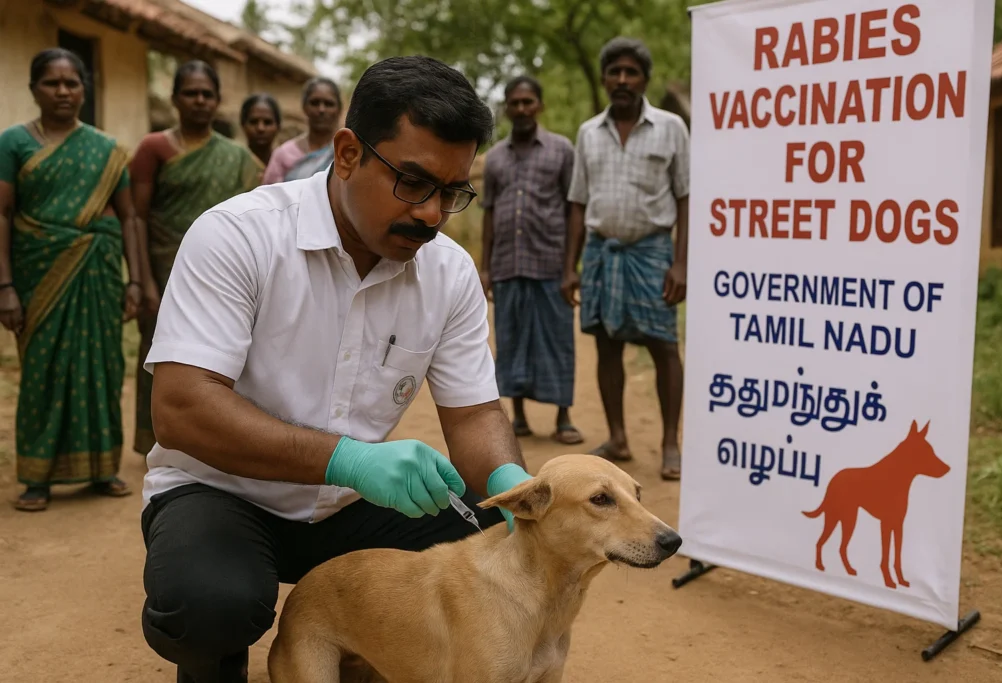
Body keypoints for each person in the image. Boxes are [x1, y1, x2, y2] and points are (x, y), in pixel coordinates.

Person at [138, 55, 533, 683]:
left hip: (355, 505)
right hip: (223, 492)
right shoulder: (238, 236)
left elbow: (475, 415)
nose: (432, 214)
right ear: (347, 154)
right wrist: (348, 459)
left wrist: (515, 489)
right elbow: (182, 409)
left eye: (452, 193)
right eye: (414, 182)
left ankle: (363, 657)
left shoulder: (450, 273)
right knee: (210, 604)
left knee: (493, 543)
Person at [0, 48, 144, 511]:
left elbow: (129, 218)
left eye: (72, 83)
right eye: (51, 83)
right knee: (41, 371)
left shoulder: (108, 149)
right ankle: (37, 477)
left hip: (98, 274)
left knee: (101, 368)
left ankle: (102, 468)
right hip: (38, 274)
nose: (63, 91)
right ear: (33, 89)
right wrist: (5, 286)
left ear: (85, 89)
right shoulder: (12, 143)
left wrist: (134, 281)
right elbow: (3, 212)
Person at [562, 37, 689, 480]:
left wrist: (681, 263)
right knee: (606, 343)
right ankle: (617, 438)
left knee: (663, 345)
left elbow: (686, 196)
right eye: (614, 71)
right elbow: (578, 202)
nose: (622, 79)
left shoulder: (671, 127)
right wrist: (570, 267)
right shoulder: (588, 133)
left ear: (644, 80)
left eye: (631, 72)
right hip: (601, 252)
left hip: (653, 253)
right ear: (604, 79)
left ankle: (670, 443)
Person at [130, 60, 264, 455]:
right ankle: (155, 439)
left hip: (223, 270)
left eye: (207, 94)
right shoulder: (153, 147)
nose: (200, 100)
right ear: (174, 98)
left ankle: (211, 438)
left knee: (223, 353)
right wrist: (144, 282)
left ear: (218, 100)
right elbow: (137, 217)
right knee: (160, 354)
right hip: (164, 268)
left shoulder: (237, 158)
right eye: (191, 93)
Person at [480, 75, 582, 445]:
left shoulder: (561, 150)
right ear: (506, 108)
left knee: (557, 340)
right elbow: (489, 211)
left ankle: (563, 417)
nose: (521, 109)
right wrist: (485, 267)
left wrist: (571, 268)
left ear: (539, 106)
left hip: (550, 262)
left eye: (528, 102)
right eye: (515, 103)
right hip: (508, 264)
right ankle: (519, 416)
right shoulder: (495, 158)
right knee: (511, 340)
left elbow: (574, 209)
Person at [261, 76, 343, 184]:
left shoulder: (346, 152)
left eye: (328, 104)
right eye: (314, 103)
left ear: (339, 109)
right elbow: (271, 192)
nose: (321, 109)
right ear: (304, 107)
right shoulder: (284, 154)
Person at [240, 92, 281, 166]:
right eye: (253, 122)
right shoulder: (233, 164)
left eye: (267, 122)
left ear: (278, 126)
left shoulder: (286, 165)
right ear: (243, 125)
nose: (260, 128)